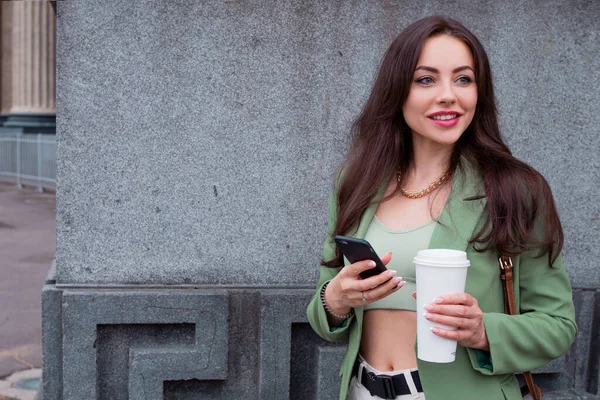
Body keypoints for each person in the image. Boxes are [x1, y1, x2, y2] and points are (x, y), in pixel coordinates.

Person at [306, 15, 577, 400]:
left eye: (463, 79)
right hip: (361, 390)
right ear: (397, 90)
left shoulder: (514, 189)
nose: (449, 95)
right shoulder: (356, 182)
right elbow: (323, 308)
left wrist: (484, 330)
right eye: (426, 79)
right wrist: (335, 299)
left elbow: (559, 324)